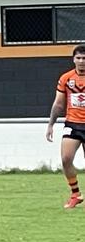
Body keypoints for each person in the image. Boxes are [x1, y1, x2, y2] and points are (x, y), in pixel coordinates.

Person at [46, 44, 85, 208]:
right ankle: (75, 194)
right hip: (73, 124)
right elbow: (58, 104)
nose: (82, 61)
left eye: (84, 58)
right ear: (73, 59)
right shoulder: (66, 78)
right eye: (79, 58)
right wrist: (51, 124)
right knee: (66, 158)